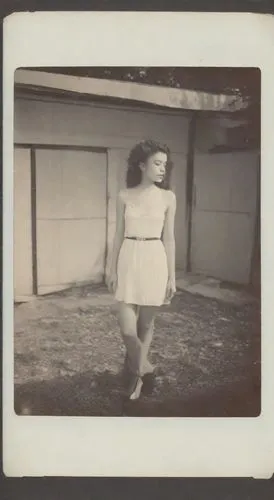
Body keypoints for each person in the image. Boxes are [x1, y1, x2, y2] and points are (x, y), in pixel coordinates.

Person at [108, 139, 177, 400]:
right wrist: (111, 268)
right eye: (157, 164)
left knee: (145, 325)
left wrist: (171, 275)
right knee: (128, 329)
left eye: (165, 165)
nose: (162, 169)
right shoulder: (124, 195)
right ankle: (144, 368)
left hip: (155, 259)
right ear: (142, 165)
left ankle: (135, 378)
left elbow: (169, 238)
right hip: (128, 256)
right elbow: (116, 235)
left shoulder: (168, 197)